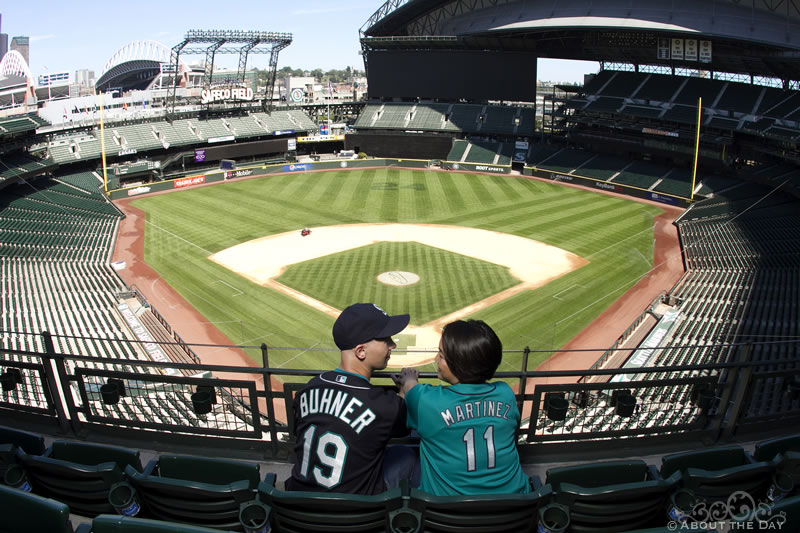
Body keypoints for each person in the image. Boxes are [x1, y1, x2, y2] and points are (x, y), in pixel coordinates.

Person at [286, 303, 413, 494]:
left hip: (297, 504)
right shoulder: (384, 406)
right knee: (407, 455)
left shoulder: (309, 388)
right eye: (385, 339)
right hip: (356, 515)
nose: (392, 345)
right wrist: (406, 388)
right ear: (361, 351)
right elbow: (404, 422)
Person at [396, 319, 529, 496]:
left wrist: (409, 379)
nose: (436, 359)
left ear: (458, 365)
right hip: (515, 507)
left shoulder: (426, 400)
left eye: (441, 355)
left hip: (445, 515)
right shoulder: (505, 393)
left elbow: (409, 387)